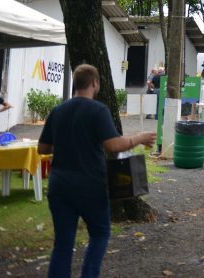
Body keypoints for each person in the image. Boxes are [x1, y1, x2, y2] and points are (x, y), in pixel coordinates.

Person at [38, 64, 156, 278]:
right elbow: (113, 145)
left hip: (59, 186)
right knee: (100, 233)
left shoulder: (57, 111)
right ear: (94, 83)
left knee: (63, 243)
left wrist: (68, 143)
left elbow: (42, 148)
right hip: (89, 186)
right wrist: (139, 138)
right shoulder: (97, 110)